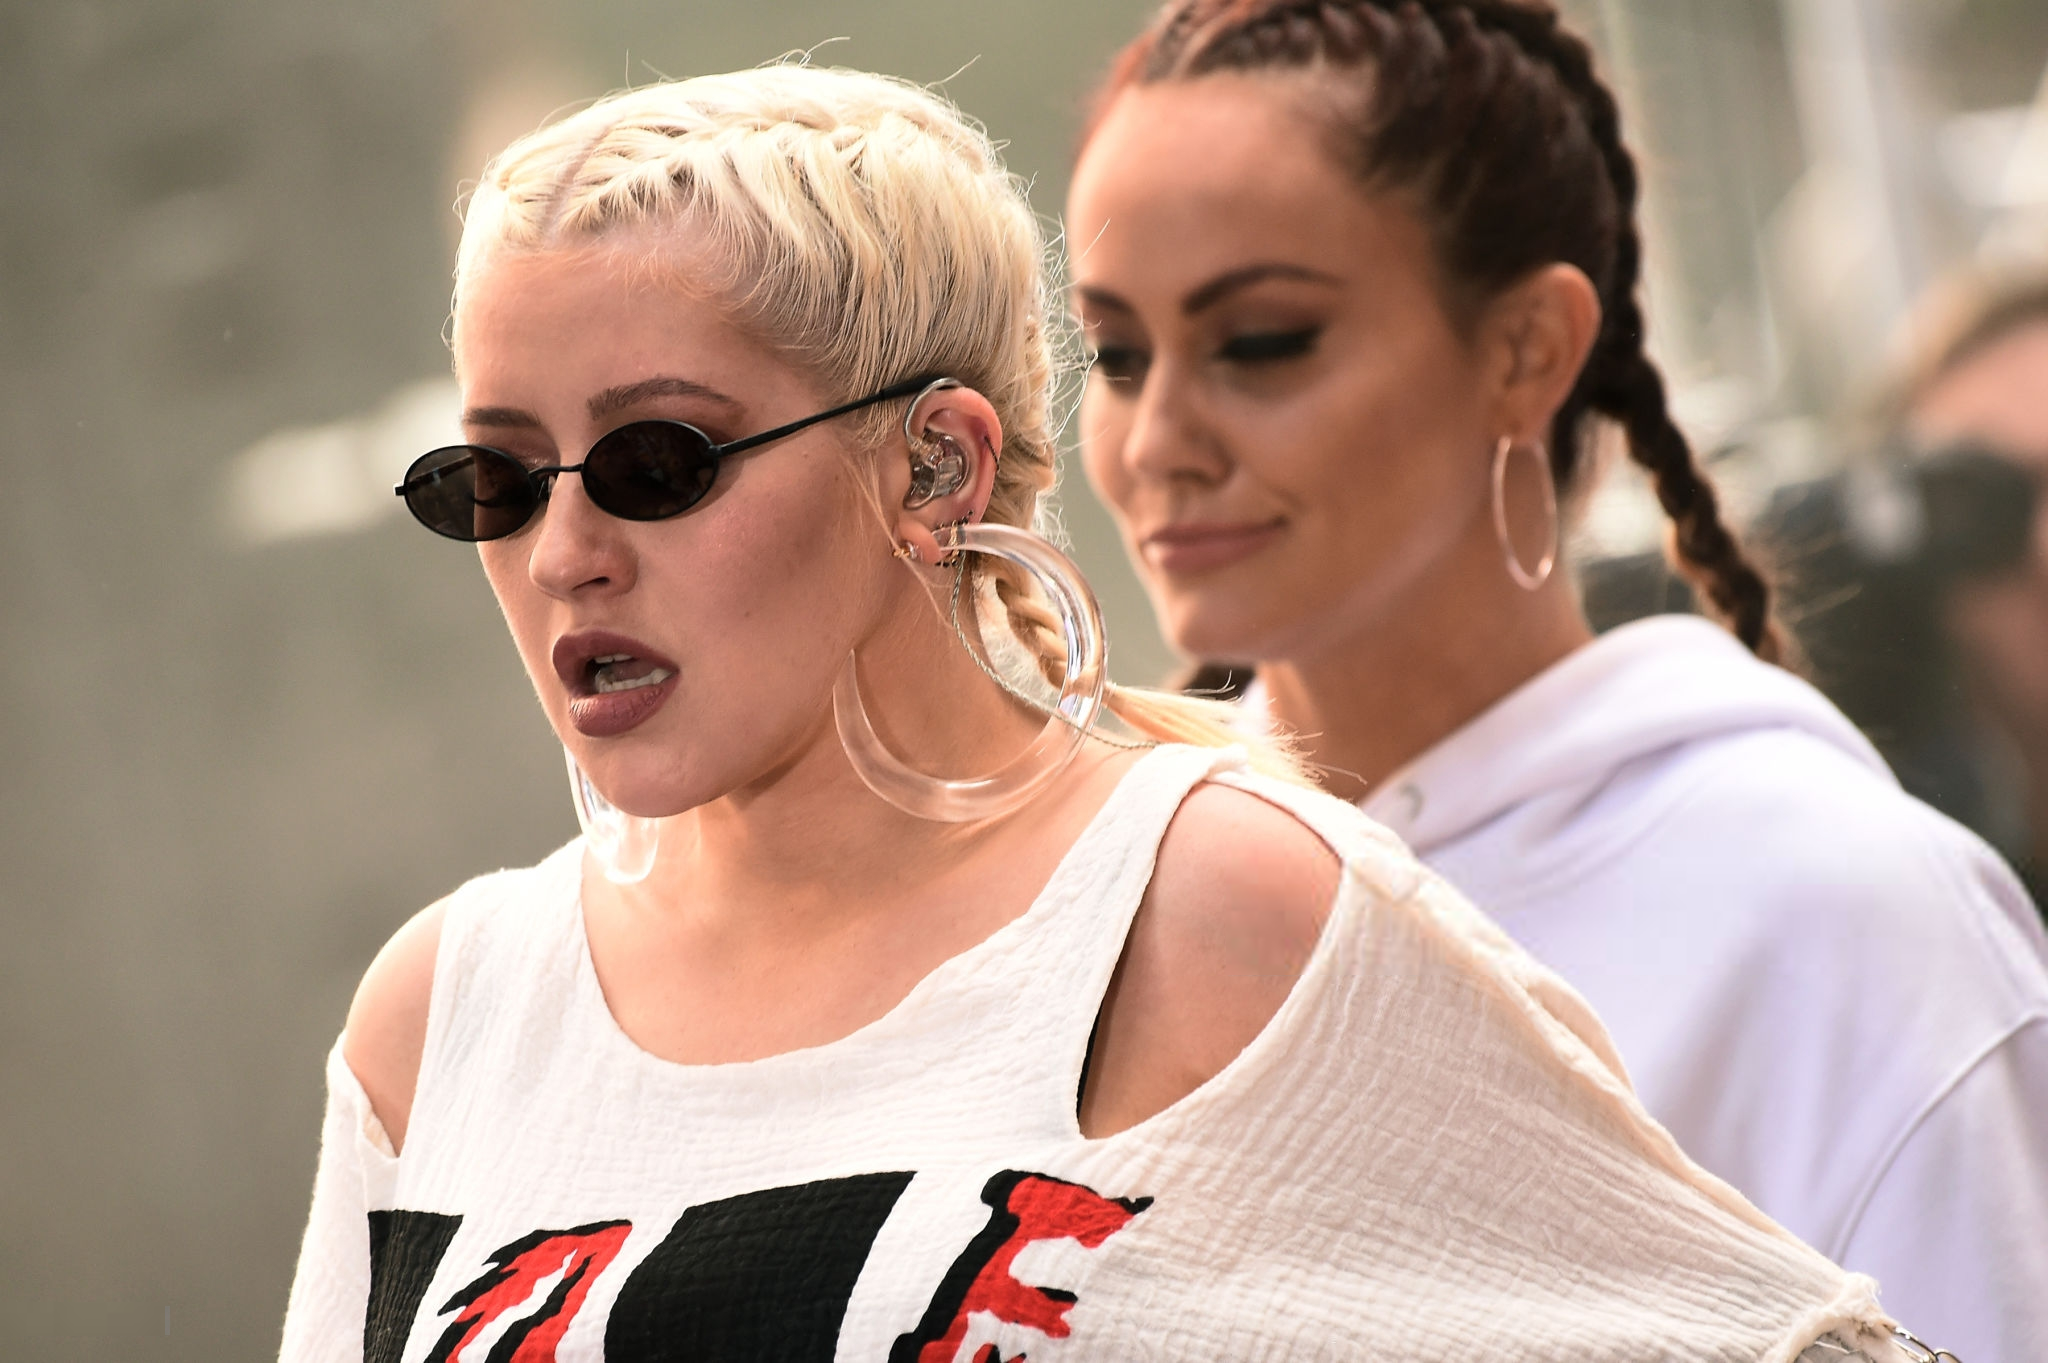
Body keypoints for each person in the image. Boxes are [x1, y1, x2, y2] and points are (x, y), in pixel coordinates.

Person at [281, 62, 1926, 1363]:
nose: (563, 551)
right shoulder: (446, 1012)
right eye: (496, 478)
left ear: (935, 463)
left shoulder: (1211, 907)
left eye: (659, 462)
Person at [1067, 3, 2048, 1360]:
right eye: (1117, 355)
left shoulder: (1839, 919)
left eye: (1262, 339)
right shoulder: (1089, 911)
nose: (1156, 439)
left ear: (1527, 348)